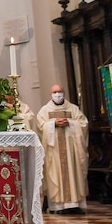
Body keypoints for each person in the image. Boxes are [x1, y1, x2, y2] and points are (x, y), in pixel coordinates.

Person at [35, 84, 88, 215]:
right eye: (55, 92)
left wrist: (70, 123)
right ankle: (58, 206)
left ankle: (75, 204)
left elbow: (83, 124)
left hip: (72, 151)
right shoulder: (45, 110)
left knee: (73, 173)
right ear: (51, 94)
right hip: (55, 151)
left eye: (60, 92)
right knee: (55, 174)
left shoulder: (73, 109)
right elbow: (40, 126)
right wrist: (53, 124)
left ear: (64, 93)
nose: (58, 94)